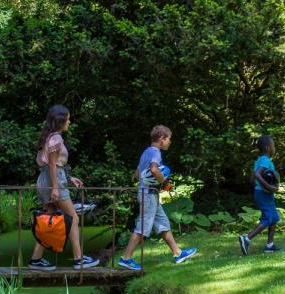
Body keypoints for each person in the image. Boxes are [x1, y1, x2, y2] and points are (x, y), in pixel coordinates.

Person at [28, 105, 100, 271]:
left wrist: (69, 178)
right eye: (67, 119)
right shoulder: (56, 139)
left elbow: (51, 165)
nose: (69, 122)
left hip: (45, 179)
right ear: (60, 120)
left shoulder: (49, 137)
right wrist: (55, 187)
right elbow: (53, 164)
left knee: (49, 220)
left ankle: (35, 259)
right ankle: (79, 259)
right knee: (73, 218)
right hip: (54, 182)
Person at [118, 125, 197, 271]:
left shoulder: (146, 152)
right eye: (169, 139)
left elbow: (136, 173)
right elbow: (154, 170)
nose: (169, 142)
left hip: (148, 194)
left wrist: (147, 181)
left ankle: (177, 253)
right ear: (161, 139)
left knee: (163, 224)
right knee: (142, 228)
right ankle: (126, 259)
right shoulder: (156, 153)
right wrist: (163, 181)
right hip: (148, 195)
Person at [238, 135, 281, 255]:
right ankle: (246, 239)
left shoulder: (259, 160)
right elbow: (257, 175)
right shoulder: (266, 161)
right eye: (273, 146)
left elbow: (252, 178)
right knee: (267, 218)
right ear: (268, 148)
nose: (274, 148)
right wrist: (267, 187)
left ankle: (270, 245)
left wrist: (259, 187)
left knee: (274, 219)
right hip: (264, 193)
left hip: (262, 193)